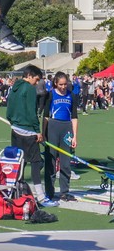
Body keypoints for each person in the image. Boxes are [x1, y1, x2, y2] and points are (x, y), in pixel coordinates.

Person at [6, 64, 55, 206]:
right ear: (29, 76)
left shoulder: (14, 87)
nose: (37, 82)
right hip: (28, 131)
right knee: (36, 162)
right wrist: (37, 131)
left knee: (20, 161)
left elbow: (9, 109)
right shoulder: (29, 89)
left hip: (15, 130)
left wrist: (12, 121)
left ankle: (16, 193)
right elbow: (32, 112)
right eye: (36, 79)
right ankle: (40, 197)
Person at [43, 72, 79, 202]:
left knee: (65, 162)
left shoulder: (72, 96)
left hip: (67, 128)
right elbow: (46, 115)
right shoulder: (51, 94)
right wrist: (43, 133)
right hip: (53, 127)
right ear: (55, 84)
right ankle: (50, 191)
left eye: (65, 84)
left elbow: (74, 117)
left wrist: (74, 136)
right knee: (51, 161)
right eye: (61, 84)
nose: (63, 87)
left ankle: (64, 192)